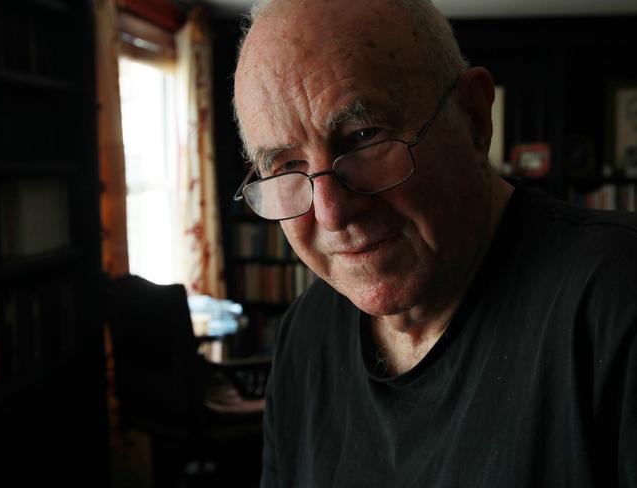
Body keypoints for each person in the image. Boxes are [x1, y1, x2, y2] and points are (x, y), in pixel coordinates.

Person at [232, 0, 637, 486]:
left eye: (364, 136)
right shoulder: (306, 331)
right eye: (286, 167)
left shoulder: (618, 299)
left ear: (474, 116)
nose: (333, 213)